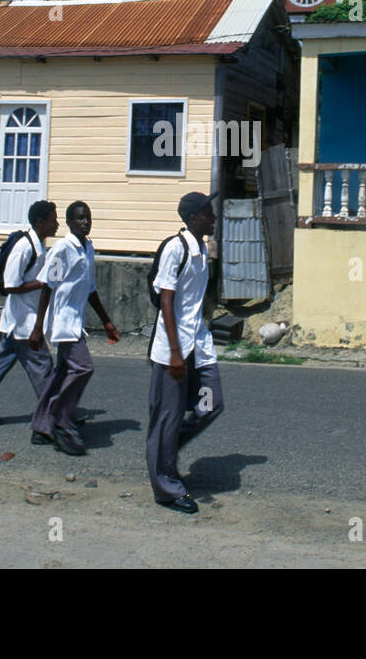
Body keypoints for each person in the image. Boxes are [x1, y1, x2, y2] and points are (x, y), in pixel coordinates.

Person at [146, 191, 222, 514]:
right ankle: (166, 487)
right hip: (172, 348)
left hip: (198, 343)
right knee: (168, 415)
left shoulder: (202, 249)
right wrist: (176, 353)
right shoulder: (175, 248)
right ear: (193, 218)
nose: (213, 216)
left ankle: (165, 448)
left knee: (211, 402)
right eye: (208, 213)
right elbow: (166, 300)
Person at [28, 201, 119, 455]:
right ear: (68, 222)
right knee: (83, 368)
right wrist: (37, 327)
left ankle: (41, 427)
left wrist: (106, 321)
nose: (85, 222)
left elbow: (90, 289)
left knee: (60, 374)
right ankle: (61, 419)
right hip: (62, 321)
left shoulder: (87, 248)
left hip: (75, 321)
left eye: (88, 218)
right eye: (79, 218)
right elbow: (48, 285)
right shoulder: (64, 249)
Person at [0, 201, 58, 426]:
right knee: (43, 367)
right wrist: (41, 283)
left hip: (17, 321)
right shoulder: (25, 247)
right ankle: (54, 417)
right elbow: (10, 285)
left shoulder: (39, 246)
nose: (57, 225)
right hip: (23, 322)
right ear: (40, 222)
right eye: (53, 220)